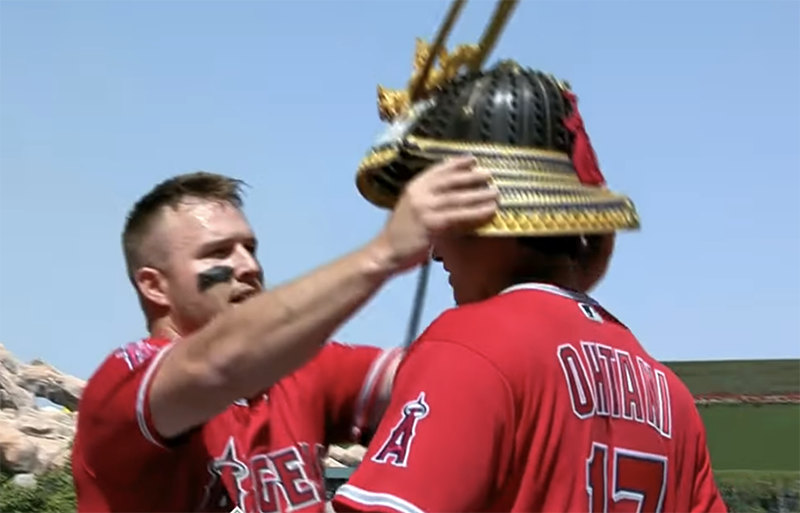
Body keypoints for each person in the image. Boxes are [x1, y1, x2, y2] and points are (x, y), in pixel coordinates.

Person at [332, 40, 728, 513]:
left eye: (439, 216)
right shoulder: (669, 395)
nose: (434, 250)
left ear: (480, 214)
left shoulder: (470, 345)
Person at [71, 157, 499, 513]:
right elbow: (217, 364)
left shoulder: (303, 371)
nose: (249, 267)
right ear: (154, 286)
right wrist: (383, 252)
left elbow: (453, 374)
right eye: (218, 253)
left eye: (250, 248)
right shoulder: (122, 387)